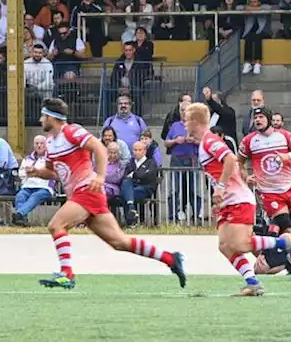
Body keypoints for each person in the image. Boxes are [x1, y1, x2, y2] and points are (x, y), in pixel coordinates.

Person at [33, 97, 186, 290]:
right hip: (84, 194)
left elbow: (98, 148)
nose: (40, 120)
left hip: (86, 190)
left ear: (51, 117)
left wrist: (100, 176)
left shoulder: (71, 131)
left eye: (43, 116)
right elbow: (54, 172)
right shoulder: (50, 143)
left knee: (56, 225)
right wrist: (38, 172)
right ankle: (170, 258)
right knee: (119, 241)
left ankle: (67, 274)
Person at [183, 103, 291, 296]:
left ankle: (285, 244)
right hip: (227, 202)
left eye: (186, 119)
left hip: (238, 199)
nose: (184, 124)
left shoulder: (209, 140)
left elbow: (230, 159)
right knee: (224, 246)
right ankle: (253, 283)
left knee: (240, 244)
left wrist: (221, 187)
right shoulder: (204, 143)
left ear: (194, 121)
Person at [239, 106, 291, 280]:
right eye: (255, 118)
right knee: (287, 231)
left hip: (290, 189)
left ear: (269, 119)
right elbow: (238, 162)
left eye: (261, 117)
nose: (257, 120)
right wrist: (246, 177)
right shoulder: (249, 141)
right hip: (269, 193)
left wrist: (289, 157)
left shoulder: (284, 136)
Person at [14, 135, 53, 226]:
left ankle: (19, 214)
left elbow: (51, 172)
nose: (39, 145)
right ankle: (22, 220)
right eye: (37, 143)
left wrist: (36, 172)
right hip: (28, 186)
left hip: (44, 187)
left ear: (46, 145)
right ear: (33, 145)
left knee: (35, 196)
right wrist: (27, 172)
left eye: (41, 143)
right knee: (20, 196)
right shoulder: (27, 159)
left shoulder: (50, 159)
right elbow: (21, 174)